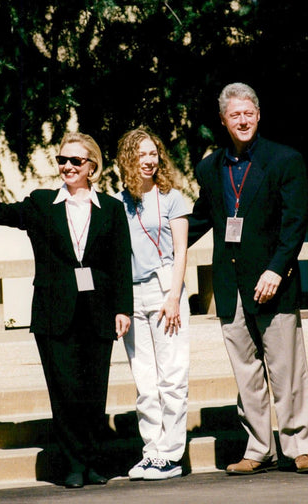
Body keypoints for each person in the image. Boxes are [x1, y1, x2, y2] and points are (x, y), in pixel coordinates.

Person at [0, 133, 133, 489]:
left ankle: (91, 462)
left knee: (92, 391)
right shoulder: (42, 203)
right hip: (55, 313)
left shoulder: (112, 209)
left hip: (99, 312)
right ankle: (72, 464)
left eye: (75, 161)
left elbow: (120, 262)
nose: (67, 167)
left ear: (92, 167)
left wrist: (123, 309)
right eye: (62, 160)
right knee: (65, 391)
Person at [188, 83, 308, 476]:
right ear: (224, 120)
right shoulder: (209, 168)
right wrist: (153, 233)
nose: (242, 121)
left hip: (272, 284)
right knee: (246, 373)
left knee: (286, 371)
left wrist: (277, 269)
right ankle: (258, 449)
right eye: (234, 115)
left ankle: (299, 448)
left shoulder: (285, 160)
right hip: (230, 289)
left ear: (258, 115)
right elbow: (199, 220)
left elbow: (295, 223)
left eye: (248, 113)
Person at [115, 128, 191, 481]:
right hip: (132, 294)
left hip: (165, 291)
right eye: (141, 154)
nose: (149, 160)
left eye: (153, 153)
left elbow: (181, 253)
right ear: (128, 159)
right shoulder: (117, 203)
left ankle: (172, 455)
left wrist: (174, 296)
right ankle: (152, 451)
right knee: (144, 379)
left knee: (171, 376)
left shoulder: (172, 198)